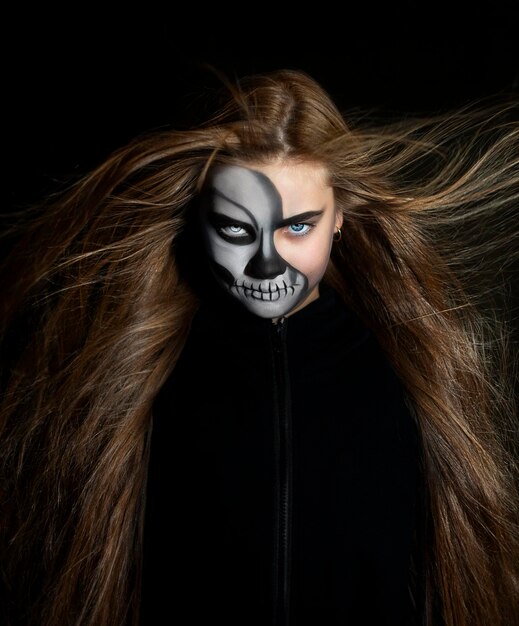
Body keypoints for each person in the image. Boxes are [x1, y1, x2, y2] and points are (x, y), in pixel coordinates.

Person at [1, 68, 518, 626]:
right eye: (238, 231)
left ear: (340, 217)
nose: (268, 264)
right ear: (198, 220)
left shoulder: (409, 371)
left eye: (298, 226)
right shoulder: (143, 379)